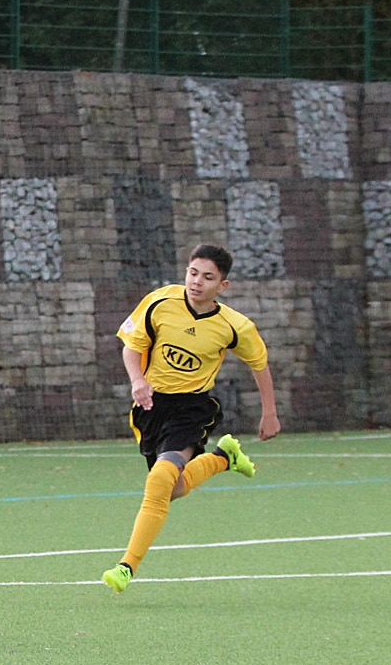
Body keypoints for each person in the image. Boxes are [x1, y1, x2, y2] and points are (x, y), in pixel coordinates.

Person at [102, 243, 281, 593]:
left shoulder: (234, 326)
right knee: (172, 488)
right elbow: (131, 347)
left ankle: (126, 567)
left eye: (208, 277)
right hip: (151, 408)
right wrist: (137, 381)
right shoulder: (160, 302)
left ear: (222, 286)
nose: (197, 282)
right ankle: (223, 458)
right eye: (193, 272)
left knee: (160, 479)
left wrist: (270, 413)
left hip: (192, 409)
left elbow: (259, 364)